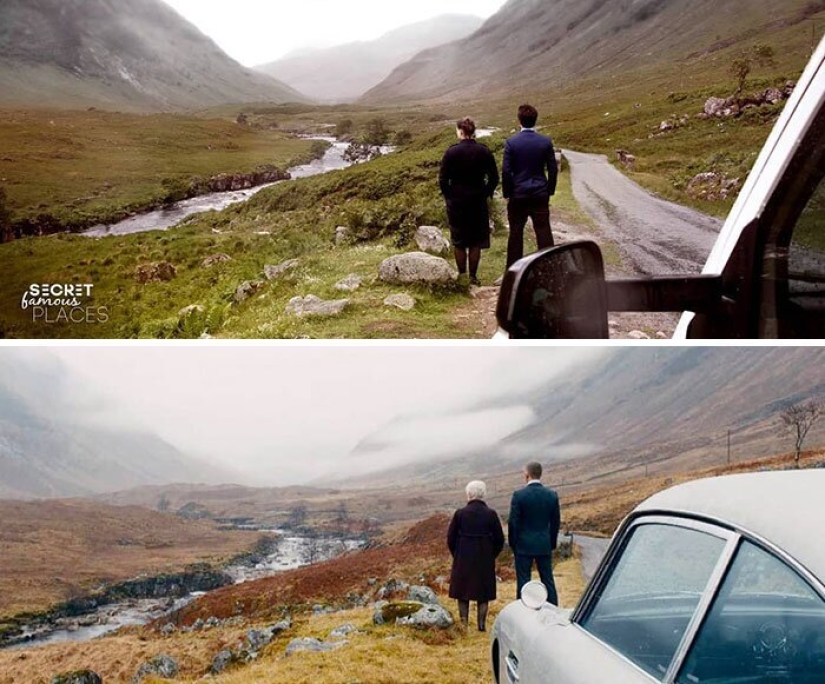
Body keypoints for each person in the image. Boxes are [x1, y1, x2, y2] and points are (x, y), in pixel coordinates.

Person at [439, 117, 500, 286]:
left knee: (459, 240)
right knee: (476, 241)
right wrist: (485, 193)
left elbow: (443, 179)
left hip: (457, 201)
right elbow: (494, 178)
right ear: (473, 131)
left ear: (460, 131)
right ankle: (473, 277)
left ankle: (462, 276)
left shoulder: (451, 152)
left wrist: (449, 196)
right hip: (477, 200)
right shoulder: (484, 151)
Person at [502, 104, 559, 269]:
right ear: (535, 120)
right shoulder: (545, 142)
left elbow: (506, 171)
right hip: (540, 193)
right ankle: (550, 268)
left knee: (516, 233)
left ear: (519, 120)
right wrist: (549, 190)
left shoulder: (511, 143)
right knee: (543, 231)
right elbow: (553, 169)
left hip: (518, 195)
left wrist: (507, 193)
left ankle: (513, 270)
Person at [447, 480, 505, 631]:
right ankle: (481, 626)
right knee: (483, 594)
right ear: (483, 494)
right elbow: (500, 539)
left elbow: (450, 538)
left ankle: (464, 625)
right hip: (484, 558)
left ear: (468, 494)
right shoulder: (491, 514)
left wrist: (457, 555)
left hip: (463, 558)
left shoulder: (460, 514)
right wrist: (491, 555)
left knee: (462, 593)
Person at [508, 461, 561, 604]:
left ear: (527, 475)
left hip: (523, 545)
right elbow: (555, 522)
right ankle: (553, 609)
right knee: (548, 579)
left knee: (524, 581)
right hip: (544, 543)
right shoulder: (551, 495)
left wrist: (514, 543)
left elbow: (513, 522)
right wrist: (552, 543)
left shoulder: (519, 495)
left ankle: (524, 610)